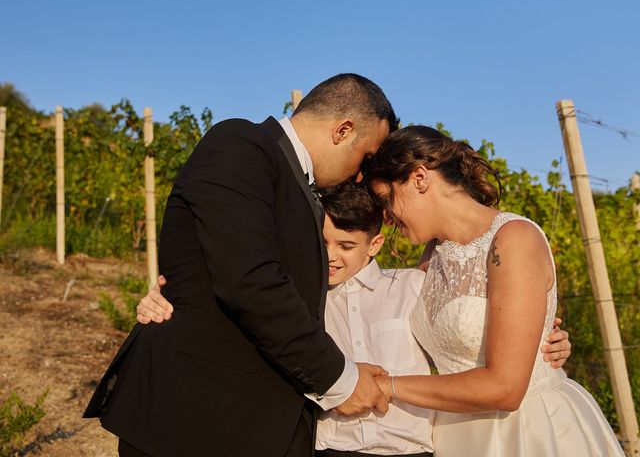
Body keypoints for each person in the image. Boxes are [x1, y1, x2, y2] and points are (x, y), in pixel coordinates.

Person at [84, 73, 398, 457]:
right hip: (194, 417)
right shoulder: (241, 145)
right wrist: (341, 381)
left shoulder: (300, 186)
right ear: (343, 129)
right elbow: (251, 281)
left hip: (244, 421)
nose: (361, 174)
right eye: (366, 156)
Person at [138, 181, 573, 457]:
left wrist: (547, 342)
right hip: (328, 447)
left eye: (345, 245)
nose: (330, 256)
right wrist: (162, 304)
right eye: (321, 243)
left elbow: (474, 324)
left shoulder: (415, 288)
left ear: (375, 244)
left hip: (412, 449)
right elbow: (233, 315)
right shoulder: (293, 300)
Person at [360, 125, 624, 456]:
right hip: (453, 433)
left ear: (419, 178)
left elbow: (506, 388)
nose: (386, 218)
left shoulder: (513, 239)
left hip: (524, 433)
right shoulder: (433, 256)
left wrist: (389, 386)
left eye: (387, 200)